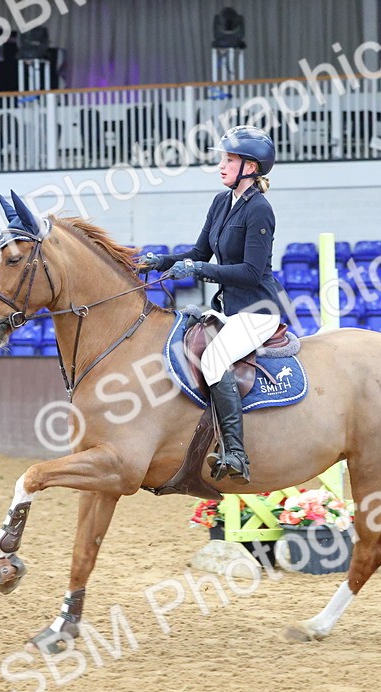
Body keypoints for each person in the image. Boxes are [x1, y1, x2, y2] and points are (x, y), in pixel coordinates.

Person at [139, 125, 287, 484]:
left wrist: (198, 269)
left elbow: (251, 272)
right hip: (227, 308)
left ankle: (236, 452)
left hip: (257, 310)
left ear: (250, 168)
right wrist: (160, 261)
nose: (221, 165)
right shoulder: (222, 202)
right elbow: (198, 253)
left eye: (230, 159)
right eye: (223, 158)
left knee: (215, 359)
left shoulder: (260, 210)